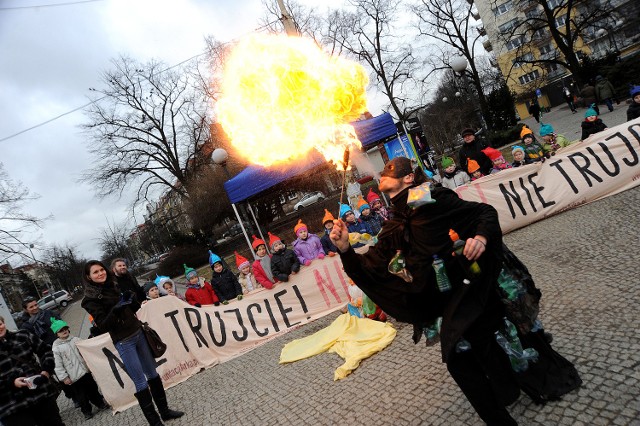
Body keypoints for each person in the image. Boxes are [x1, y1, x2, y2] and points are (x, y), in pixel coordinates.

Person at [330, 157, 522, 425]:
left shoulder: (429, 197)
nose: (382, 174)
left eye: (389, 169)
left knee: (459, 357)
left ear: (408, 178)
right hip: (439, 299)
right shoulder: (395, 219)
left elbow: (484, 212)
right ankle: (508, 389)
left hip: (466, 288)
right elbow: (370, 267)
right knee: (478, 344)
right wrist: (345, 249)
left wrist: (480, 238)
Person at [81, 260, 184, 425]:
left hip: (138, 333)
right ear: (88, 276)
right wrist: (116, 309)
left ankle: (164, 412)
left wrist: (133, 301)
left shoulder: (113, 284)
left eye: (102, 270)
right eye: (95, 272)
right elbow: (103, 325)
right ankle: (154, 422)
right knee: (140, 381)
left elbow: (132, 309)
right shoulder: (89, 299)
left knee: (152, 374)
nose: (101, 273)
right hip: (124, 341)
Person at [0, 315, 65, 426]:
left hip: (39, 395)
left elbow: (45, 351)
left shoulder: (22, 335)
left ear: (3, 323)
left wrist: (46, 371)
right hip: (11, 406)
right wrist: (11, 383)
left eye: (0, 324)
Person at [50, 318, 108, 420]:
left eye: (65, 329)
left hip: (85, 372)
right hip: (74, 377)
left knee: (93, 389)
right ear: (56, 334)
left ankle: (100, 403)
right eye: (61, 330)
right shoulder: (56, 348)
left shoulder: (76, 340)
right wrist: (64, 378)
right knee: (81, 397)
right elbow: (58, 365)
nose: (64, 331)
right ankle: (86, 411)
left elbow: (86, 348)